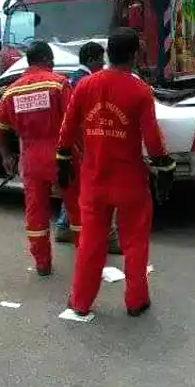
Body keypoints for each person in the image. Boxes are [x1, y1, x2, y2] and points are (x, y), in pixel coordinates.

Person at [57, 27, 175, 317]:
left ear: (108, 52)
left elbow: (67, 131)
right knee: (134, 242)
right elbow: (153, 142)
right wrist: (165, 167)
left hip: (94, 180)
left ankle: (80, 303)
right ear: (134, 55)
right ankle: (136, 301)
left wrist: (61, 159)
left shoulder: (85, 86)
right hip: (129, 182)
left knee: (90, 243)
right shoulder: (139, 90)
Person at [0, 41, 81, 275]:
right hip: (62, 155)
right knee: (76, 207)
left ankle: (42, 264)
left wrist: (6, 155)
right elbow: (74, 123)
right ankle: (85, 257)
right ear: (47, 59)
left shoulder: (12, 90)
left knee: (36, 211)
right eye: (51, 60)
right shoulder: (59, 84)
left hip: (31, 157)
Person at [54, 41, 121, 252]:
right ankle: (107, 238)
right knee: (96, 190)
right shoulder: (86, 81)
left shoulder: (75, 79)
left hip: (77, 142)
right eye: (101, 60)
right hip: (86, 143)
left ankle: (64, 226)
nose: (103, 64)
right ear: (92, 60)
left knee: (78, 187)